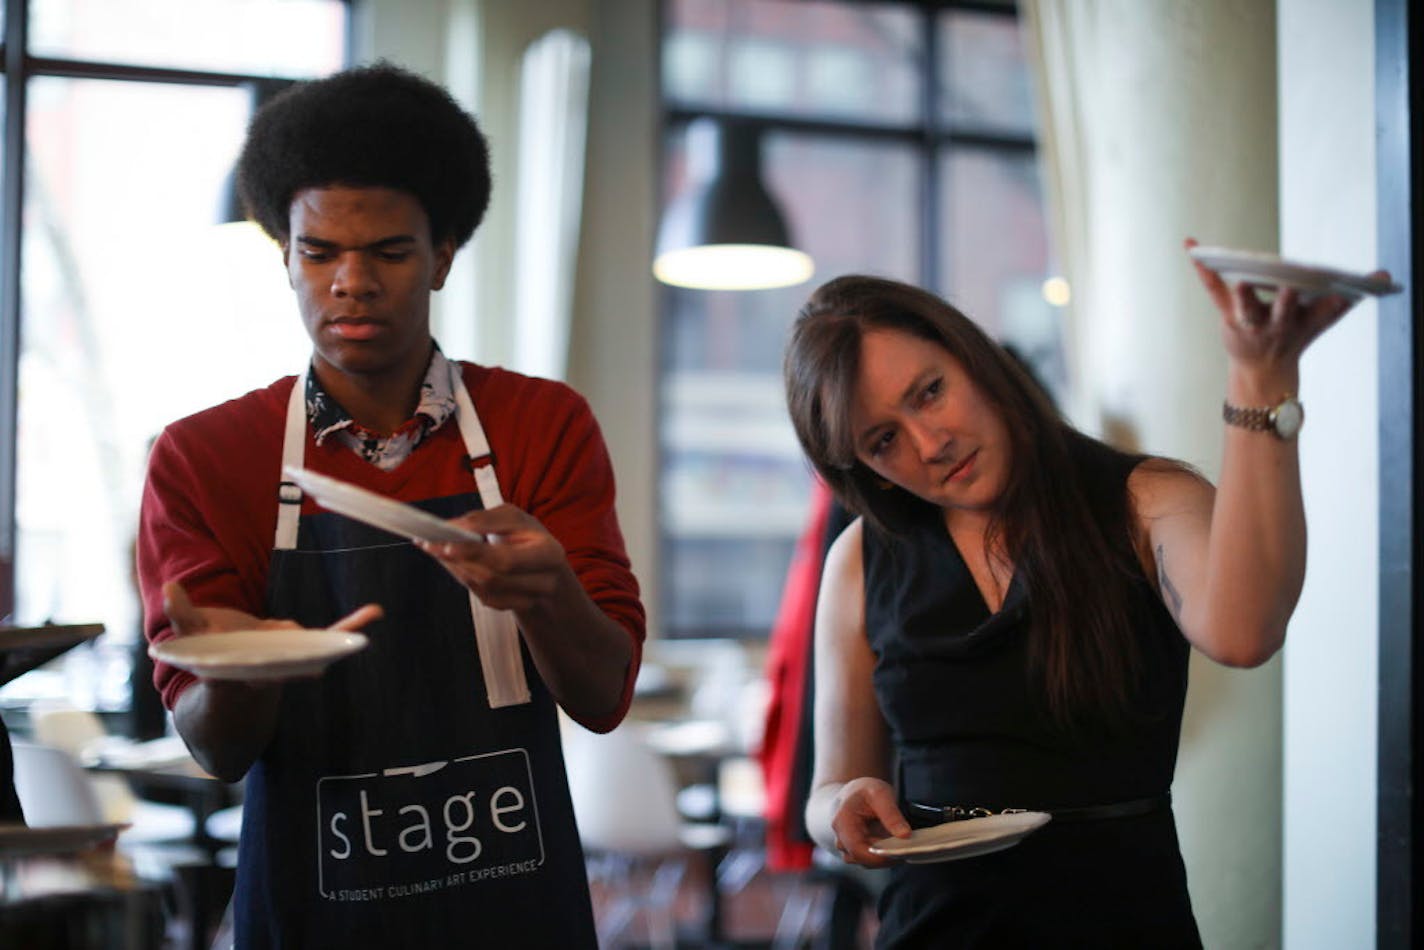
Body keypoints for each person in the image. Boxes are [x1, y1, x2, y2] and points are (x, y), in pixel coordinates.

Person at [135, 63, 644, 948]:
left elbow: (603, 697)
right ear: (285, 257)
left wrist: (548, 590)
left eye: (388, 252)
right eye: (319, 252)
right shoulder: (208, 457)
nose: (351, 283)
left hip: (516, 915)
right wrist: (241, 671)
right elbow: (214, 754)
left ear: (443, 253)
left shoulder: (538, 425)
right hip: (312, 915)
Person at [782, 249, 1384, 947]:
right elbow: (829, 790)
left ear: (974, 358)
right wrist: (838, 812)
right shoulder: (858, 559)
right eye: (884, 439)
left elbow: (1246, 631)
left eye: (929, 391)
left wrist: (1261, 372)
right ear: (867, 470)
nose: (931, 442)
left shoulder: (1145, 502)